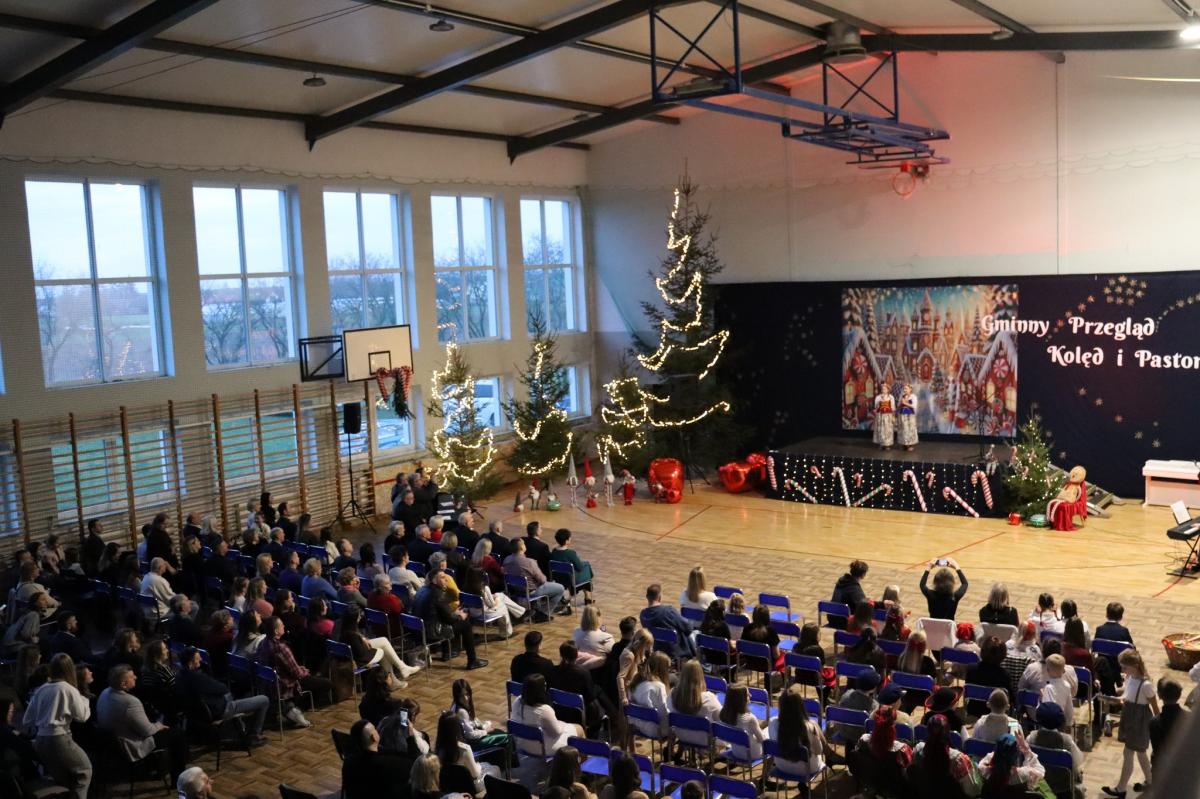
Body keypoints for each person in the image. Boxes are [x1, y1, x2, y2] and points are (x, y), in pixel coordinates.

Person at [97, 663, 189, 784]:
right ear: (123, 684)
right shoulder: (130, 702)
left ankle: (162, 768)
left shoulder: (104, 692)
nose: (136, 677)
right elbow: (147, 731)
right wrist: (159, 725)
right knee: (177, 734)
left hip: (114, 744)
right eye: (132, 676)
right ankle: (178, 779)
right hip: (132, 745)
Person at [22, 653, 92, 798]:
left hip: (40, 740)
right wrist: (85, 700)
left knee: (64, 779)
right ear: (70, 669)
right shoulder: (68, 689)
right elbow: (82, 717)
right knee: (84, 771)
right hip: (59, 739)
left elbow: (27, 720)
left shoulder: (42, 689)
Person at [176, 645, 269, 745]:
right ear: (190, 663)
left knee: (230, 695)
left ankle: (240, 727)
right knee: (264, 700)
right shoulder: (197, 678)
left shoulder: (179, 676)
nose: (201, 660)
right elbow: (222, 688)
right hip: (218, 710)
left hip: (197, 714)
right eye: (198, 659)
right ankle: (254, 736)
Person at [1102, 649, 1159, 798]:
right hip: (1130, 718)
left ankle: (1121, 788)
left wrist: (1158, 725)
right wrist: (1112, 697)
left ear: (1134, 666)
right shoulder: (1130, 677)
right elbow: (1126, 694)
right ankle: (1151, 782)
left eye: (1124, 667)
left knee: (1128, 753)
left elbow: (1155, 707)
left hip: (1139, 722)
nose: (1122, 670)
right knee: (1140, 753)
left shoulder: (1146, 685)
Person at [259, 615, 331, 727]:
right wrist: (304, 671)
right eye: (281, 625)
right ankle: (299, 707)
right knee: (327, 683)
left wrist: (300, 669)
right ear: (276, 631)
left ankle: (292, 707)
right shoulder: (281, 648)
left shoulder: (263, 643)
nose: (284, 626)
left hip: (270, 685)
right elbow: (297, 674)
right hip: (286, 685)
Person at [420, 569, 487, 670]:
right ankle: (472, 661)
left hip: (422, 629)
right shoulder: (438, 594)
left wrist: (454, 613)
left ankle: (447, 652)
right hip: (433, 631)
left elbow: (440, 614)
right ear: (434, 581)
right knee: (466, 625)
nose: (446, 579)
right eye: (442, 577)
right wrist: (460, 616)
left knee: (452, 618)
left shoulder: (423, 590)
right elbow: (449, 619)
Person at [907, 713, 981, 798]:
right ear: (948, 731)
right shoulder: (959, 760)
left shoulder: (917, 750)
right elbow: (972, 790)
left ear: (927, 730)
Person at [341, 605, 420, 681]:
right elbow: (361, 654)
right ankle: (394, 677)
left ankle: (400, 670)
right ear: (354, 618)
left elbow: (357, 639)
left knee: (383, 640)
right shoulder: (352, 635)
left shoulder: (345, 626)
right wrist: (364, 643)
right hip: (359, 659)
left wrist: (362, 638)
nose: (360, 617)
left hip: (354, 651)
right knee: (383, 650)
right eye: (359, 616)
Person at [509, 673, 580, 757]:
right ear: (541, 689)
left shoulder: (516, 702)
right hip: (541, 748)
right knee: (579, 728)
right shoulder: (544, 710)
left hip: (521, 743)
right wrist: (562, 724)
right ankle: (581, 762)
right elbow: (556, 733)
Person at [343, 718, 413, 799]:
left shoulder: (348, 762)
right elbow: (414, 764)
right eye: (375, 729)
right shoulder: (389, 764)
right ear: (374, 737)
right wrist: (411, 737)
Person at [1026, 702, 1084, 799]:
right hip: (1063, 790)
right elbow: (1078, 760)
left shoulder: (1030, 738)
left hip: (1038, 788)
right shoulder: (1067, 741)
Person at [850, 705, 913, 793]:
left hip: (870, 783)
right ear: (893, 724)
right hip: (893, 790)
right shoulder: (902, 749)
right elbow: (910, 773)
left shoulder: (863, 740)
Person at [769, 684, 827, 779]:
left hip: (782, 766)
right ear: (800, 706)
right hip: (808, 770)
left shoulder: (772, 722)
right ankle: (831, 755)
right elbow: (819, 751)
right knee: (814, 726)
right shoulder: (808, 726)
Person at [436, 708, 499, 794]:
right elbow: (475, 774)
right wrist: (479, 766)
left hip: (450, 787)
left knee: (486, 765)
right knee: (495, 769)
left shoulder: (438, 749)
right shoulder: (464, 749)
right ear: (457, 728)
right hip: (470, 787)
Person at [503, 538, 567, 620]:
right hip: (531, 591)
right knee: (560, 588)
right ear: (522, 547)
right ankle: (544, 613)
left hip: (515, 590)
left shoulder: (506, 560)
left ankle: (536, 609)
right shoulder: (530, 562)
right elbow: (542, 580)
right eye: (524, 544)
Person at [668, 660, 721, 747]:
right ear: (700, 676)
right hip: (705, 740)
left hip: (682, 737)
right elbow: (721, 718)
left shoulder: (672, 694)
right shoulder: (709, 698)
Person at [459, 566, 523, 638]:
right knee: (503, 606)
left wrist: (493, 596)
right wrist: (496, 599)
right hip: (483, 613)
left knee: (500, 595)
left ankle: (521, 612)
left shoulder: (465, 587)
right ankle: (506, 634)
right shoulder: (484, 588)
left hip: (472, 612)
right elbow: (492, 605)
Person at [638, 583, 695, 659]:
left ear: (647, 597)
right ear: (660, 597)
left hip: (656, 650)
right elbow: (688, 628)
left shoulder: (643, 615)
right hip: (675, 653)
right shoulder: (669, 611)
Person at [451, 678, 508, 752]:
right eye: (461, 696)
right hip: (472, 744)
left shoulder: (454, 705)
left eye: (467, 694)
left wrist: (483, 725)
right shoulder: (462, 712)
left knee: (498, 731)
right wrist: (485, 731)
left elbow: (470, 723)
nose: (466, 698)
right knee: (506, 737)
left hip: (468, 740)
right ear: (457, 696)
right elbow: (470, 735)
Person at [979, 733, 1044, 796]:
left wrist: (1001, 751)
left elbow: (990, 758)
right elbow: (1040, 771)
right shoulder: (1023, 774)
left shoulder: (984, 770)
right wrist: (1026, 749)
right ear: (1016, 756)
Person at [1149, 677, 1186, 777]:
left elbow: (1157, 750)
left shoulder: (1154, 722)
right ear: (1179, 695)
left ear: (1159, 695)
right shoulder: (1189, 718)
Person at [629, 650, 671, 737]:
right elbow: (663, 712)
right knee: (679, 725)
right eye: (668, 668)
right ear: (663, 669)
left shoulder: (636, 681)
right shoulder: (659, 686)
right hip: (656, 730)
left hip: (638, 726)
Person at [966, 637, 1012, 716]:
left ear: (982, 651)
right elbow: (1010, 698)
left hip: (974, 710)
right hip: (997, 712)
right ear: (1003, 655)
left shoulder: (971, 669)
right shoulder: (1004, 675)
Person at [719, 684, 766, 760]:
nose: (750, 695)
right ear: (741, 700)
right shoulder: (750, 719)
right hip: (752, 754)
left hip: (736, 752)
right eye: (747, 695)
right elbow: (762, 740)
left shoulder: (724, 715)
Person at [549, 528, 594, 603]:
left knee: (582, 573)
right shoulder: (571, 553)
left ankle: (586, 597)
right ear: (567, 541)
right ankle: (587, 597)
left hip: (558, 577)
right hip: (570, 579)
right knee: (586, 570)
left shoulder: (554, 551)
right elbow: (579, 567)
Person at [741, 603, 785, 673]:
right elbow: (776, 655)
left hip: (750, 663)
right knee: (785, 657)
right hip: (767, 665)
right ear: (767, 617)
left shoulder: (747, 628)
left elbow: (742, 648)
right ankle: (785, 678)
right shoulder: (771, 631)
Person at [617, 629, 654, 707]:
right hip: (628, 693)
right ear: (641, 644)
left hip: (635, 688)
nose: (648, 648)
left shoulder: (639, 651)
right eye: (647, 646)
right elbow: (620, 677)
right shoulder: (629, 655)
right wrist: (623, 697)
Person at [572, 604, 615, 670]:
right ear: (598, 618)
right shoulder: (607, 638)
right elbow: (613, 654)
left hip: (579, 669)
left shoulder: (576, 632)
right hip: (599, 670)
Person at [830, 560, 869, 627]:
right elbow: (863, 605)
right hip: (843, 621)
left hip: (832, 617)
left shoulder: (842, 580)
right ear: (863, 575)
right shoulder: (854, 588)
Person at [873, 381, 896, 449]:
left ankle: (887, 444)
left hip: (888, 416)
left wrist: (893, 416)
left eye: (885, 389)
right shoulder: (878, 397)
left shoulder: (891, 397)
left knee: (887, 429)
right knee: (881, 429)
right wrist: (881, 400)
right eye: (882, 389)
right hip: (880, 415)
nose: (883, 390)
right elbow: (876, 407)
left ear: (888, 390)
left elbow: (893, 408)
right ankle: (881, 443)